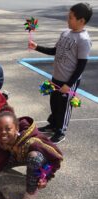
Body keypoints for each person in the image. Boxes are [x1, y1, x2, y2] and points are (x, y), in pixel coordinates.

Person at [29, 3, 92, 144]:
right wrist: (37, 47)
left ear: (81, 21)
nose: (67, 20)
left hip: (68, 81)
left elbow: (82, 65)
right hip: (56, 77)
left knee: (64, 106)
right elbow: (54, 51)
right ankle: (53, 124)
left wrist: (69, 85)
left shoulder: (84, 40)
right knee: (54, 103)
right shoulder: (65, 33)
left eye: (70, 17)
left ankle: (61, 131)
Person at [0, 111, 63, 199]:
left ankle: (30, 194)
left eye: (8, 128)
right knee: (2, 165)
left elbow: (56, 158)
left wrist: (46, 177)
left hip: (38, 158)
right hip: (19, 155)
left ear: (16, 128)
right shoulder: (0, 140)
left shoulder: (34, 142)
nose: (3, 132)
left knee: (34, 158)